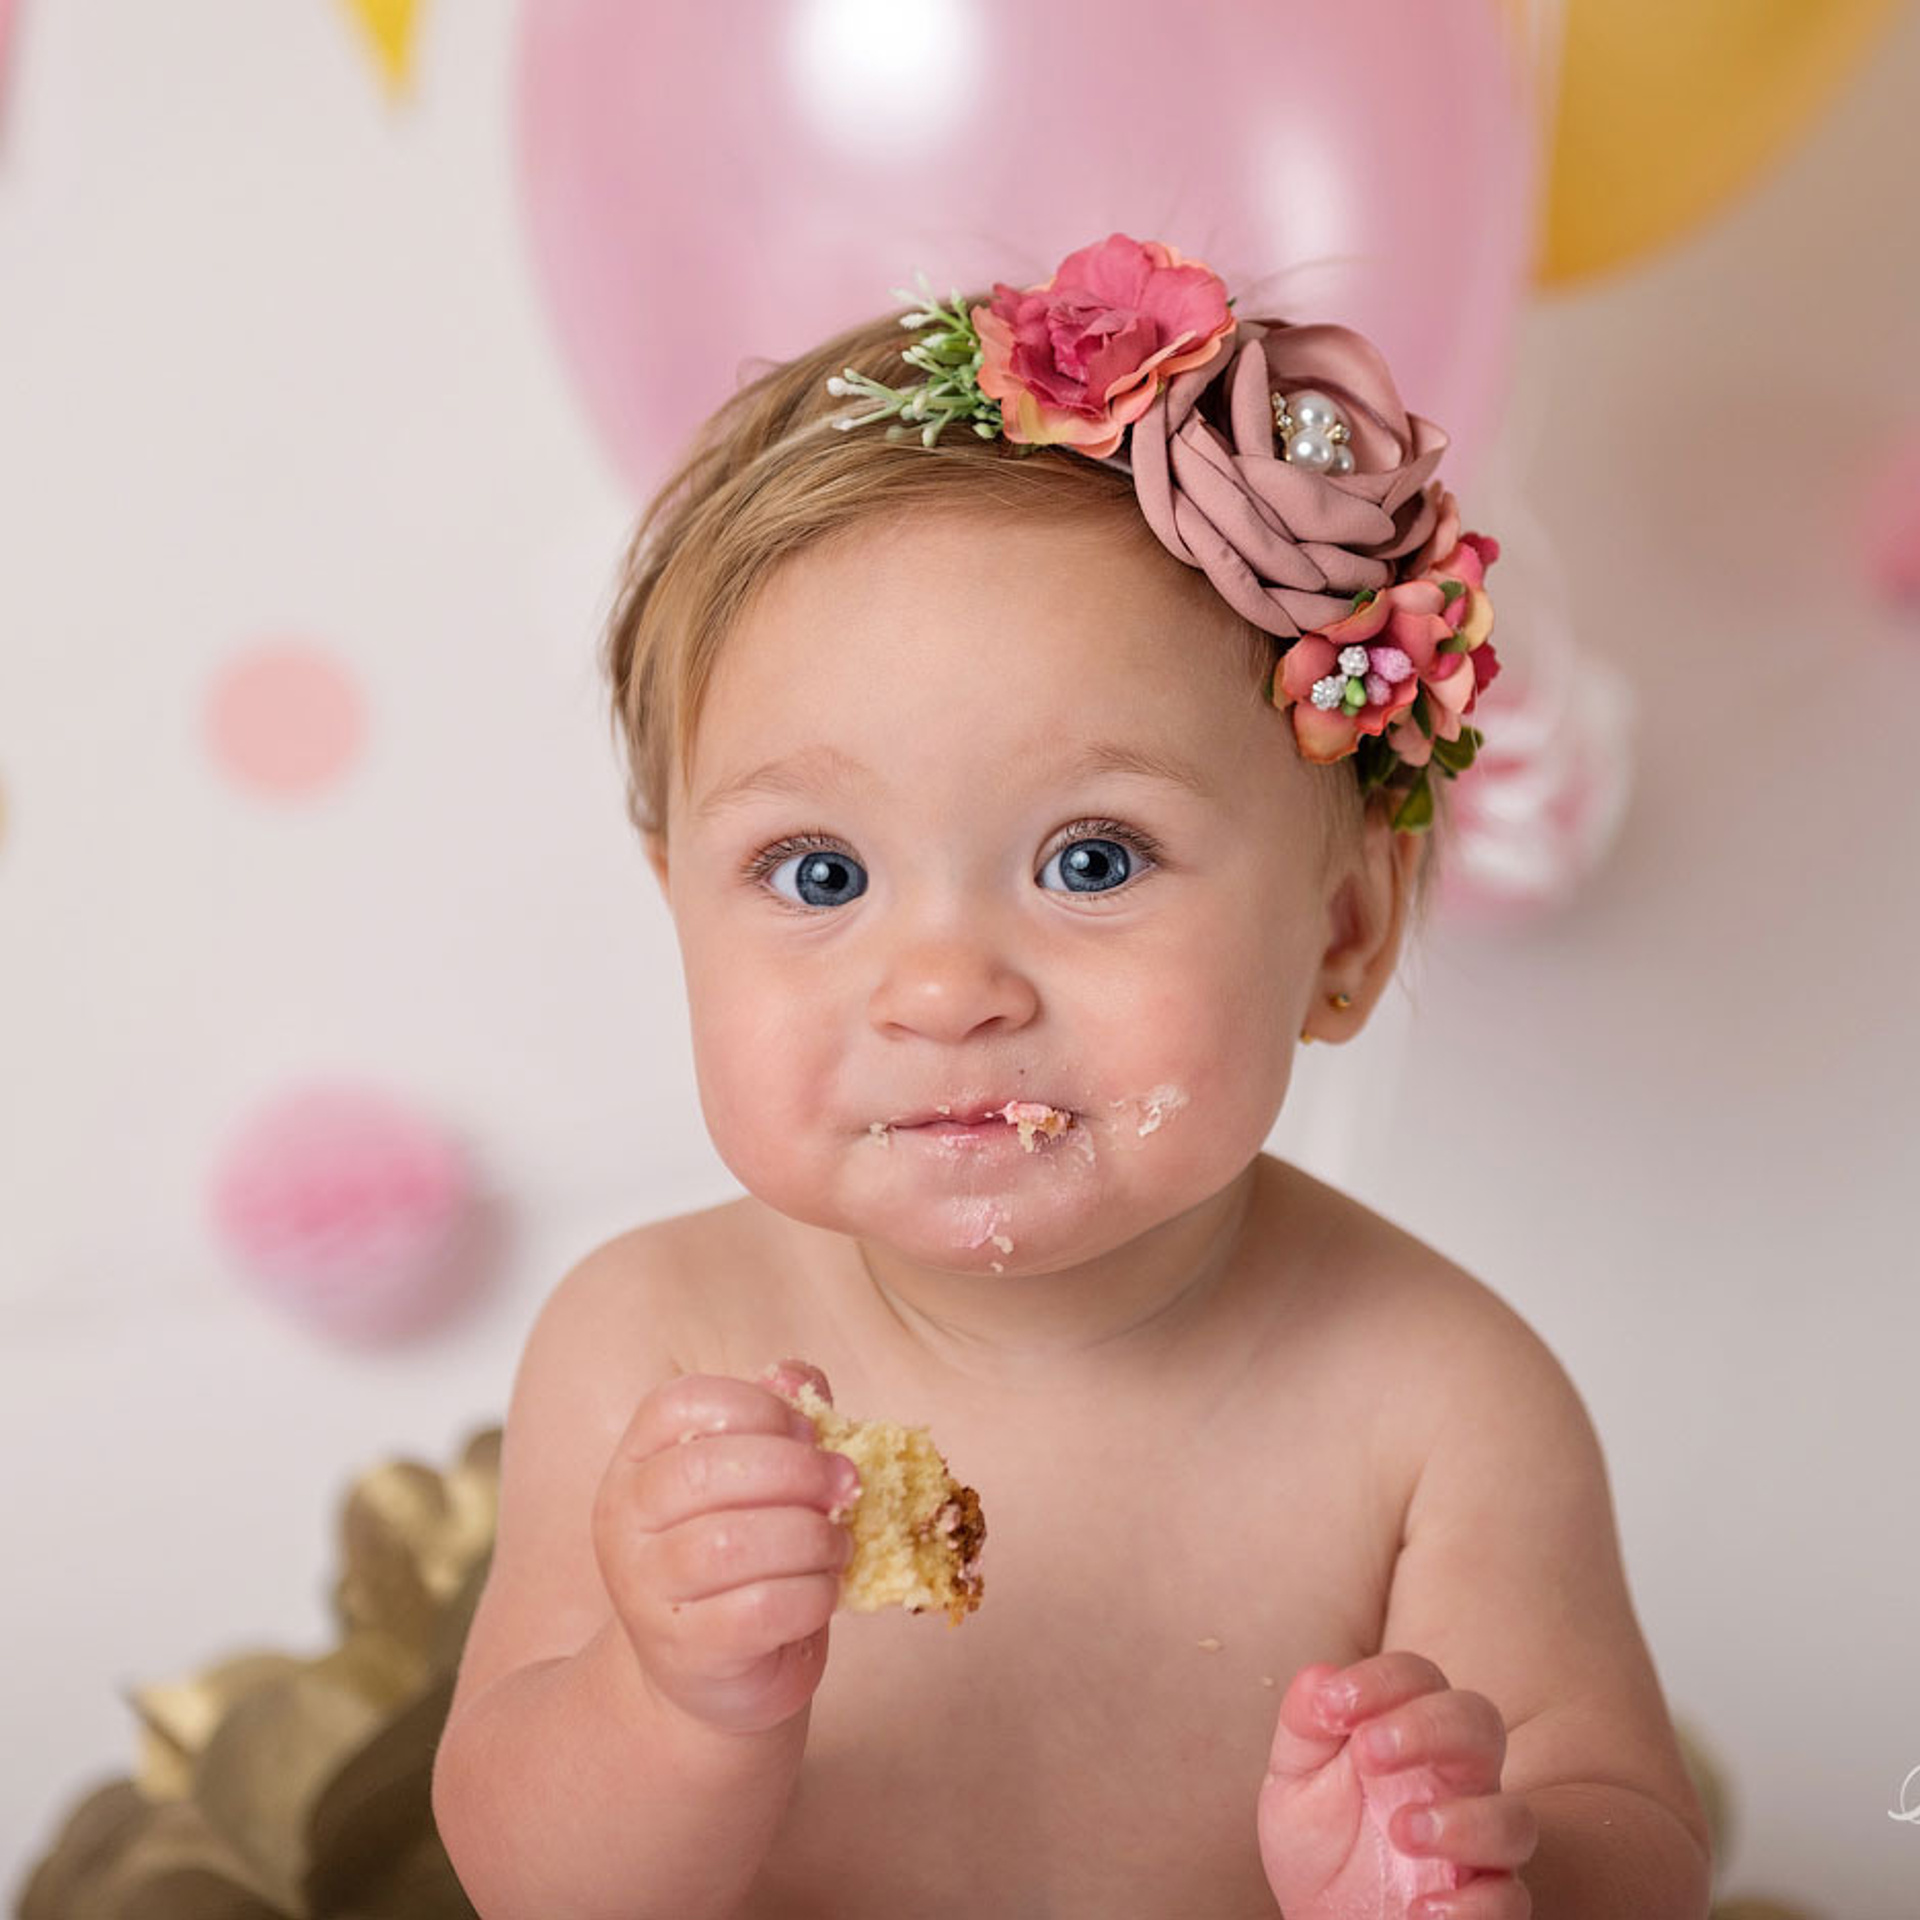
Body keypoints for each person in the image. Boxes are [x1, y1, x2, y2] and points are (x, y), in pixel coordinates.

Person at [429, 233, 1712, 1919]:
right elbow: (533, 1882)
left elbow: (1631, 1829)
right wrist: (668, 1706)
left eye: (1093, 860)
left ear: (1342, 927)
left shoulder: (1436, 1404)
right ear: (676, 900)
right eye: (820, 874)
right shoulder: (655, 1349)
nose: (947, 989)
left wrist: (1493, 1867)